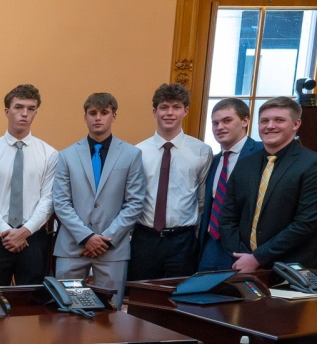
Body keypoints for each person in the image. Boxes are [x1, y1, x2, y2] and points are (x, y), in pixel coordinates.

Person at [52, 93, 147, 305]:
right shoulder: (67, 155)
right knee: (69, 310)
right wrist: (86, 237)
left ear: (114, 116)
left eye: (104, 113)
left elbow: (134, 203)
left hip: (112, 247)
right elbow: (61, 203)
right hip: (72, 246)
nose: (98, 118)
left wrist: (105, 238)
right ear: (84, 116)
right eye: (92, 113)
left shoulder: (131, 155)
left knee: (110, 314)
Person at [217, 96, 317, 273]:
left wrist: (258, 257)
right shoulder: (245, 164)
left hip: (290, 270)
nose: (270, 126)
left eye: (279, 120)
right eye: (264, 121)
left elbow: (305, 223)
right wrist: (242, 256)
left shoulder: (311, 164)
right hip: (242, 265)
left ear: (296, 124)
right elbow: (227, 218)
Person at [0, 84, 58, 286]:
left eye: (31, 109)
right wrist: (6, 232)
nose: (24, 114)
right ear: (7, 111)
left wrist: (25, 231)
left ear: (36, 112)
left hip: (34, 237)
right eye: (18, 107)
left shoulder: (49, 154)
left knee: (31, 304)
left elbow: (48, 199)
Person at [128, 84, 212, 280]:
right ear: (154, 112)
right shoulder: (137, 152)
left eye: (176, 107)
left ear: (186, 110)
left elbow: (201, 199)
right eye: (164, 107)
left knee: (178, 300)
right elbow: (131, 198)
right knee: (143, 300)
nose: (169, 113)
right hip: (145, 238)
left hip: (182, 240)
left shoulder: (202, 151)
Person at [198, 97, 262, 271]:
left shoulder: (262, 154)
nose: (220, 127)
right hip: (211, 243)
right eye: (215, 123)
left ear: (245, 121)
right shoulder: (213, 160)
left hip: (247, 248)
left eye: (227, 121)